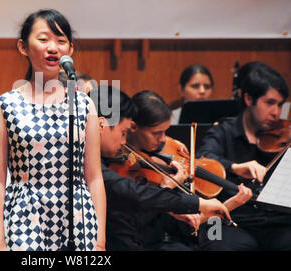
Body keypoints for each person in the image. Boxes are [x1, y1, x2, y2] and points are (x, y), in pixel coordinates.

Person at [0, 9, 106, 251]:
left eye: (61, 41)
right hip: (24, 216)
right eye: (43, 39)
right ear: (23, 47)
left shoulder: (83, 103)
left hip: (77, 216)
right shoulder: (6, 105)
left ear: (70, 50)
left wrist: (100, 241)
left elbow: (94, 177)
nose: (53, 47)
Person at [91, 86, 232, 251]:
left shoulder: (105, 158)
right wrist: (193, 202)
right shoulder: (96, 165)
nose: (124, 142)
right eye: (123, 132)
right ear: (101, 125)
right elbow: (132, 193)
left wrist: (173, 208)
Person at [198, 64, 291, 250]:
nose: (276, 112)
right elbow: (202, 160)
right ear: (248, 99)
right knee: (215, 242)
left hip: (276, 222)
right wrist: (234, 166)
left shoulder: (284, 136)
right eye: (270, 103)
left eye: (280, 104)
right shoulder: (223, 131)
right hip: (227, 218)